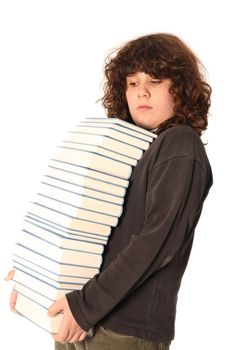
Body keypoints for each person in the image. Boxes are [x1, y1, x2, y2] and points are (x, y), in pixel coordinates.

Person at [7, 33, 213, 350]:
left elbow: (155, 241)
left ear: (180, 88)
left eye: (155, 81)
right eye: (132, 83)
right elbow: (81, 220)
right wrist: (36, 279)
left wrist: (86, 307)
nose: (141, 92)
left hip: (121, 331)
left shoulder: (180, 144)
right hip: (82, 316)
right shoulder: (128, 148)